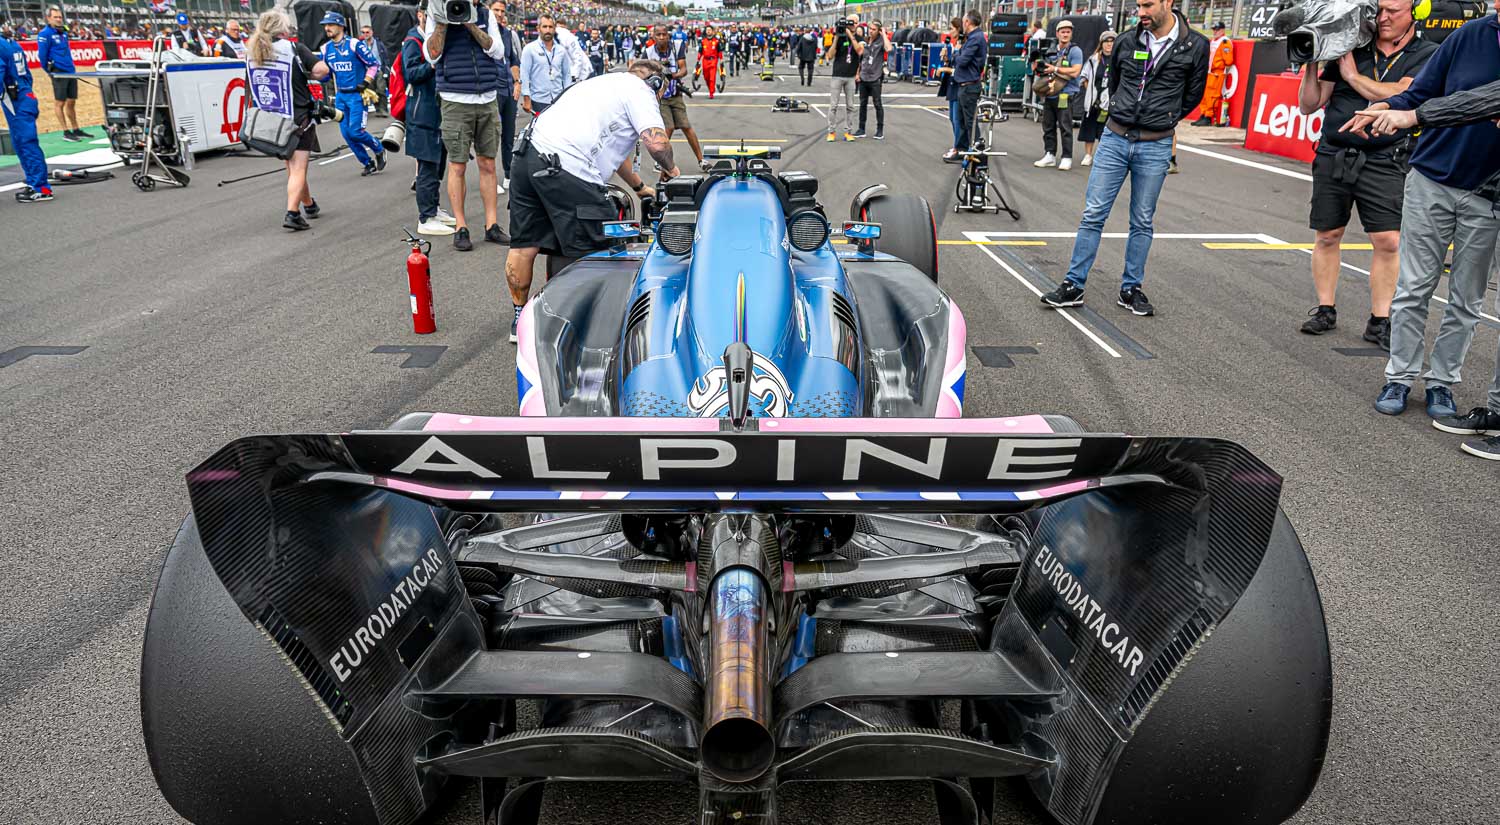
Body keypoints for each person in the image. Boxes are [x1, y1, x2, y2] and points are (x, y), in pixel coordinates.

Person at [1351, 10, 1500, 419]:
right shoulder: (1472, 33)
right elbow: (1422, 92)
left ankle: (1441, 383)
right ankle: (1399, 376)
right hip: (1431, 178)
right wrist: (1384, 106)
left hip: (1488, 194)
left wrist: (1409, 114)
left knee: (1466, 298)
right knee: (1414, 287)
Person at [1039, 0, 1208, 316]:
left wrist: (1165, 116)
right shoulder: (1127, 41)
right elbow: (1113, 81)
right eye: (1138, 5)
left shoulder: (1196, 45)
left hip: (1155, 144)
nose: (1141, 12)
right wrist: (1123, 110)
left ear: (1168, 3)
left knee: (1142, 220)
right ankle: (1073, 285)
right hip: (1115, 138)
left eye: (1148, 4)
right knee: (1093, 214)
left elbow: (1193, 94)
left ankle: (1131, 289)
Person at [505, 60, 680, 342]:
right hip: (566, 165)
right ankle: (583, 325)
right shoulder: (641, 90)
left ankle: (519, 320)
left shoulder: (599, 85)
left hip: (528, 154)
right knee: (596, 246)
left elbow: (616, 151)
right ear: (656, 84)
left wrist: (638, 187)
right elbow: (657, 143)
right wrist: (674, 172)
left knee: (525, 244)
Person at [1295, 0, 1436, 349]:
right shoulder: (1351, 47)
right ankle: (1325, 308)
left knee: (1388, 241)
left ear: (1415, 12)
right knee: (1328, 234)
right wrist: (1313, 61)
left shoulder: (1427, 51)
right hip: (1334, 153)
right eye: (1380, 11)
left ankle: (1380, 319)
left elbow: (1404, 93)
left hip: (1387, 158)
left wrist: (1353, 78)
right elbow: (1308, 104)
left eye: (1393, 11)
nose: (1383, 18)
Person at [425, 0, 508, 251]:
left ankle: (491, 225)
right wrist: (443, 23)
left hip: (487, 97)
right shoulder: (437, 11)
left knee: (488, 163)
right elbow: (431, 55)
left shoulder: (483, 12)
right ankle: (461, 227)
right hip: (454, 98)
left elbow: (498, 51)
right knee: (458, 164)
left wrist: (470, 23)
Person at [245, 9, 330, 230]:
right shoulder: (292, 48)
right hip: (298, 116)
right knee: (299, 167)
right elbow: (322, 70)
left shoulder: (253, 51)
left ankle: (309, 205)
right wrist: (307, 74)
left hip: (272, 117)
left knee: (292, 167)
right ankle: (292, 213)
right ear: (282, 28)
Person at [403, 7, 455, 236]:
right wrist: (432, 65)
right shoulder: (413, 41)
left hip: (438, 113)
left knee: (438, 166)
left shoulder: (435, 39)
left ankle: (433, 209)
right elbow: (411, 73)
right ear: (420, 15)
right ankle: (425, 217)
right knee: (427, 168)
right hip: (421, 113)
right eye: (428, 14)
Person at [320, 12, 387, 177]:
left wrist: (365, 82)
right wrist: (315, 74)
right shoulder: (326, 48)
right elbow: (327, 74)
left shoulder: (355, 44)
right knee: (346, 135)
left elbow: (373, 64)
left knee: (356, 131)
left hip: (357, 95)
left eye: (330, 24)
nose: (327, 28)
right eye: (325, 25)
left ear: (341, 26)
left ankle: (378, 148)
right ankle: (367, 163)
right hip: (341, 97)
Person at [2, 14, 51, 203]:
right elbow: (27, 74)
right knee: (21, 142)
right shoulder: (12, 42)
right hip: (24, 95)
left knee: (25, 142)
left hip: (17, 100)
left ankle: (41, 187)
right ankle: (34, 181)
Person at [647, 23, 705, 170]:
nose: (661, 37)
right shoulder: (648, 52)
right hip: (661, 97)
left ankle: (701, 160)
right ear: (653, 36)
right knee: (669, 127)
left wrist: (673, 75)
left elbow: (684, 69)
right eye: (658, 35)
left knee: (686, 126)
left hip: (676, 94)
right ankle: (659, 160)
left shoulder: (676, 47)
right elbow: (642, 73)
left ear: (668, 35)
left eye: (664, 34)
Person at [1034, 19, 1084, 170]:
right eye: (1063, 31)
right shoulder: (1051, 50)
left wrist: (1055, 69)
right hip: (1050, 93)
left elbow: (1076, 71)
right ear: (1057, 34)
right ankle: (1049, 154)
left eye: (1068, 32)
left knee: (1065, 126)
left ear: (1071, 34)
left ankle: (1067, 157)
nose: (1065, 34)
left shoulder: (1075, 51)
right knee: (1048, 126)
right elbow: (1042, 69)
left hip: (1065, 94)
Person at [37, 7, 90, 142]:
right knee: (60, 102)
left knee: (71, 101)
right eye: (55, 17)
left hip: (70, 70)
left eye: (60, 17)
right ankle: (66, 131)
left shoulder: (63, 32)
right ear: (48, 18)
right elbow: (42, 55)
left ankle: (76, 129)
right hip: (58, 71)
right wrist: (49, 70)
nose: (59, 19)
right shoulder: (45, 34)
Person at [489, 1, 523, 194]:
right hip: (491, 90)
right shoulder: (482, 32)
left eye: (502, 11)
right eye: (496, 10)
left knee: (509, 135)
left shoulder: (508, 34)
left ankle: (509, 174)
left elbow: (513, 60)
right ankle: (490, 178)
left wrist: (518, 82)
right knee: (490, 137)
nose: (500, 14)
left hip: (508, 90)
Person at [946, 10, 987, 160]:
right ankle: (962, 150)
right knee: (961, 121)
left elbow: (962, 60)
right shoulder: (972, 37)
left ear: (967, 22)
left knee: (969, 120)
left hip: (970, 85)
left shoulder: (976, 38)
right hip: (964, 84)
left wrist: (957, 53)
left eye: (964, 21)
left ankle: (977, 150)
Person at [823, 15, 865, 142]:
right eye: (850, 22)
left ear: (858, 24)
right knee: (833, 105)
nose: (853, 24)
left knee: (850, 106)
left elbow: (859, 51)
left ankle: (848, 131)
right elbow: (829, 56)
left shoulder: (859, 38)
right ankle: (831, 131)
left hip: (851, 76)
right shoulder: (840, 37)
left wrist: (850, 35)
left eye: (855, 23)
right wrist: (837, 37)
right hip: (837, 75)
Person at [1078, 30, 1116, 167]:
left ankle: (1104, 155)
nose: (1109, 45)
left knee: (1106, 129)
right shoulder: (1094, 59)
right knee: (1089, 127)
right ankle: (1088, 155)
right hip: (1094, 99)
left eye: (1112, 42)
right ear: (1102, 43)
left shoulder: (1118, 59)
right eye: (1107, 42)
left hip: (1110, 100)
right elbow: (1084, 77)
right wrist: (1090, 90)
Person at [521, 16, 573, 116]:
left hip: (558, 100)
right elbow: (524, 75)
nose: (548, 30)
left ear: (554, 29)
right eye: (544, 26)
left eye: (550, 27)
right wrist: (526, 98)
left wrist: (567, 96)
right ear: (538, 28)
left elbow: (567, 75)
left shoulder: (561, 51)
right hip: (539, 100)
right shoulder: (529, 49)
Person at [854, 21, 890, 139]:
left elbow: (888, 48)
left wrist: (884, 34)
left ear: (878, 30)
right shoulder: (864, 40)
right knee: (862, 103)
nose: (871, 31)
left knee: (877, 104)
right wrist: (857, 73)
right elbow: (861, 58)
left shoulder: (881, 41)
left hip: (875, 77)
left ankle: (880, 130)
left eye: (874, 29)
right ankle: (861, 129)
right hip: (864, 76)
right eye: (870, 28)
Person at [1192, 21, 1233, 126]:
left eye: (1217, 29)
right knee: (1205, 95)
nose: (1215, 31)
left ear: (1222, 30)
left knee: (1212, 95)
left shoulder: (1225, 42)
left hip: (1217, 73)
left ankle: (1208, 116)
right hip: (1209, 72)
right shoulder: (1213, 41)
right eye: (1214, 29)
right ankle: (1204, 114)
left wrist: (1219, 66)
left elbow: (1228, 60)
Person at [938, 18, 964, 158]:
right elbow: (954, 64)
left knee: (957, 119)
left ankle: (959, 148)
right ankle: (957, 145)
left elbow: (959, 68)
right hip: (953, 85)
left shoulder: (963, 45)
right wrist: (947, 59)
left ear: (959, 29)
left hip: (960, 84)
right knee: (952, 118)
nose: (950, 31)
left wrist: (945, 68)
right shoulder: (956, 45)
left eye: (952, 28)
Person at [359, 24, 391, 115]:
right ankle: (378, 110)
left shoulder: (379, 44)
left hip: (379, 69)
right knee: (372, 91)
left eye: (367, 32)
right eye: (363, 32)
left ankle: (383, 110)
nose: (365, 34)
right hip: (367, 72)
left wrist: (386, 70)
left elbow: (385, 57)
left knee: (381, 90)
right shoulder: (360, 45)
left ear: (371, 32)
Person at [698, 26, 722, 99]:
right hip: (705, 61)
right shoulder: (703, 41)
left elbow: (719, 51)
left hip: (713, 61)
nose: (708, 31)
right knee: (706, 77)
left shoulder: (716, 41)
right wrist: (698, 60)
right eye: (707, 30)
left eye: (710, 30)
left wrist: (721, 60)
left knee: (712, 77)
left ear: (712, 31)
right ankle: (711, 89)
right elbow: (700, 52)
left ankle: (711, 93)